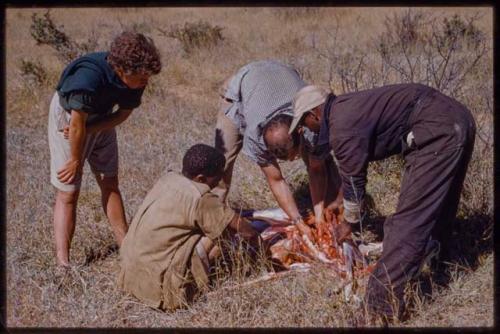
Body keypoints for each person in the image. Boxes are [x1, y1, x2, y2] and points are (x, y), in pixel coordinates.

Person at [289, 83, 476, 321]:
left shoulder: (341, 127)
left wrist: (349, 224)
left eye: (305, 123)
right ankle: (441, 261)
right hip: (457, 117)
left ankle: (377, 310)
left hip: (438, 129)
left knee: (405, 225)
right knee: (439, 206)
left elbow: (355, 184)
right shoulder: (345, 108)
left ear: (314, 113)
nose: (308, 130)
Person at [48, 31, 162, 267]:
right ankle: (63, 264)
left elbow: (121, 115)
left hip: (100, 119)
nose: (146, 82)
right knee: (68, 192)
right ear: (123, 70)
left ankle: (126, 249)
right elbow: (77, 124)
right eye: (142, 76)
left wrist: (93, 129)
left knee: (110, 183)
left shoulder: (136, 80)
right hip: (70, 119)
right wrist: (74, 160)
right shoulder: (89, 77)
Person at [118, 144, 260, 311]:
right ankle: (195, 285)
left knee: (213, 224)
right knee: (224, 232)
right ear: (201, 178)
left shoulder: (168, 179)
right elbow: (244, 229)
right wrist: (263, 249)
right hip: (159, 289)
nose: (220, 180)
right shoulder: (200, 196)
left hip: (129, 277)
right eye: (218, 176)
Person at [214, 60, 341, 226]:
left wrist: (318, 216)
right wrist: (298, 222)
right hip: (244, 84)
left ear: (300, 130)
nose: (289, 162)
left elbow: (316, 170)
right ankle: (214, 218)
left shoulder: (310, 121)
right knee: (219, 164)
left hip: (280, 71)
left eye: (292, 156)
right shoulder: (255, 134)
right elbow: (276, 179)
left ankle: (332, 213)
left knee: (320, 159)